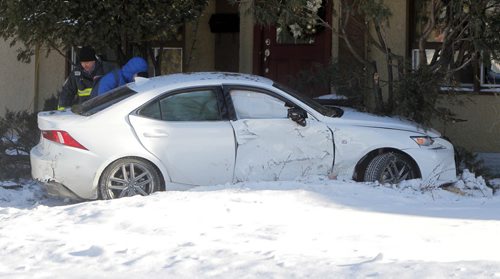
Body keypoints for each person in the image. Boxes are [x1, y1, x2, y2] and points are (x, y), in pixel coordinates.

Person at [57, 46, 115, 110]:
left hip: (103, 110)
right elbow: (67, 92)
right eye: (82, 62)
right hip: (84, 112)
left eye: (87, 62)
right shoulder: (76, 74)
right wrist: (62, 111)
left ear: (94, 61)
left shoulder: (105, 70)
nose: (85, 65)